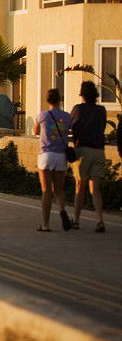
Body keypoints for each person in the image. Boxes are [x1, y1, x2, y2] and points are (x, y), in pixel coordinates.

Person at [70, 80, 107, 233]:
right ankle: (100, 220)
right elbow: (103, 126)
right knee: (95, 189)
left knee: (80, 186)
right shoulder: (101, 110)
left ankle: (77, 220)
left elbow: (71, 126)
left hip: (83, 151)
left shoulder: (78, 109)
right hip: (98, 151)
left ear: (82, 95)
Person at [33, 88, 73, 232]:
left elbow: (36, 131)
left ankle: (45, 224)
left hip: (46, 155)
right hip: (61, 155)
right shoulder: (67, 116)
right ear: (59, 100)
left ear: (47, 100)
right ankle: (62, 210)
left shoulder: (43, 115)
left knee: (46, 191)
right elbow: (70, 130)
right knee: (59, 190)